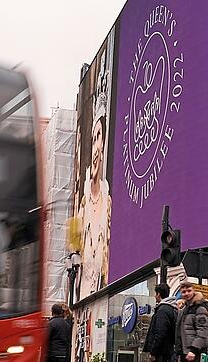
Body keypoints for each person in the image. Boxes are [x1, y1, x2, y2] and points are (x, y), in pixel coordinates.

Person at [78, 114, 112, 300]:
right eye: (93, 138)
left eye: (100, 137)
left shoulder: (108, 202)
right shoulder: (83, 201)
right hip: (82, 296)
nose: (96, 147)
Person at [175, 282, 208, 362]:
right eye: (184, 292)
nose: (186, 293)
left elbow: (203, 331)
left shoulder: (200, 308)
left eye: (189, 290)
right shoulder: (184, 309)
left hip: (195, 353)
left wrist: (193, 350)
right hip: (185, 353)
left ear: (194, 291)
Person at [143, 284, 178, 362]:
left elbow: (160, 333)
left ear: (158, 294)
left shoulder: (162, 310)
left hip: (162, 354)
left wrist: (153, 352)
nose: (155, 296)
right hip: (168, 352)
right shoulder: (172, 308)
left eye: (156, 294)